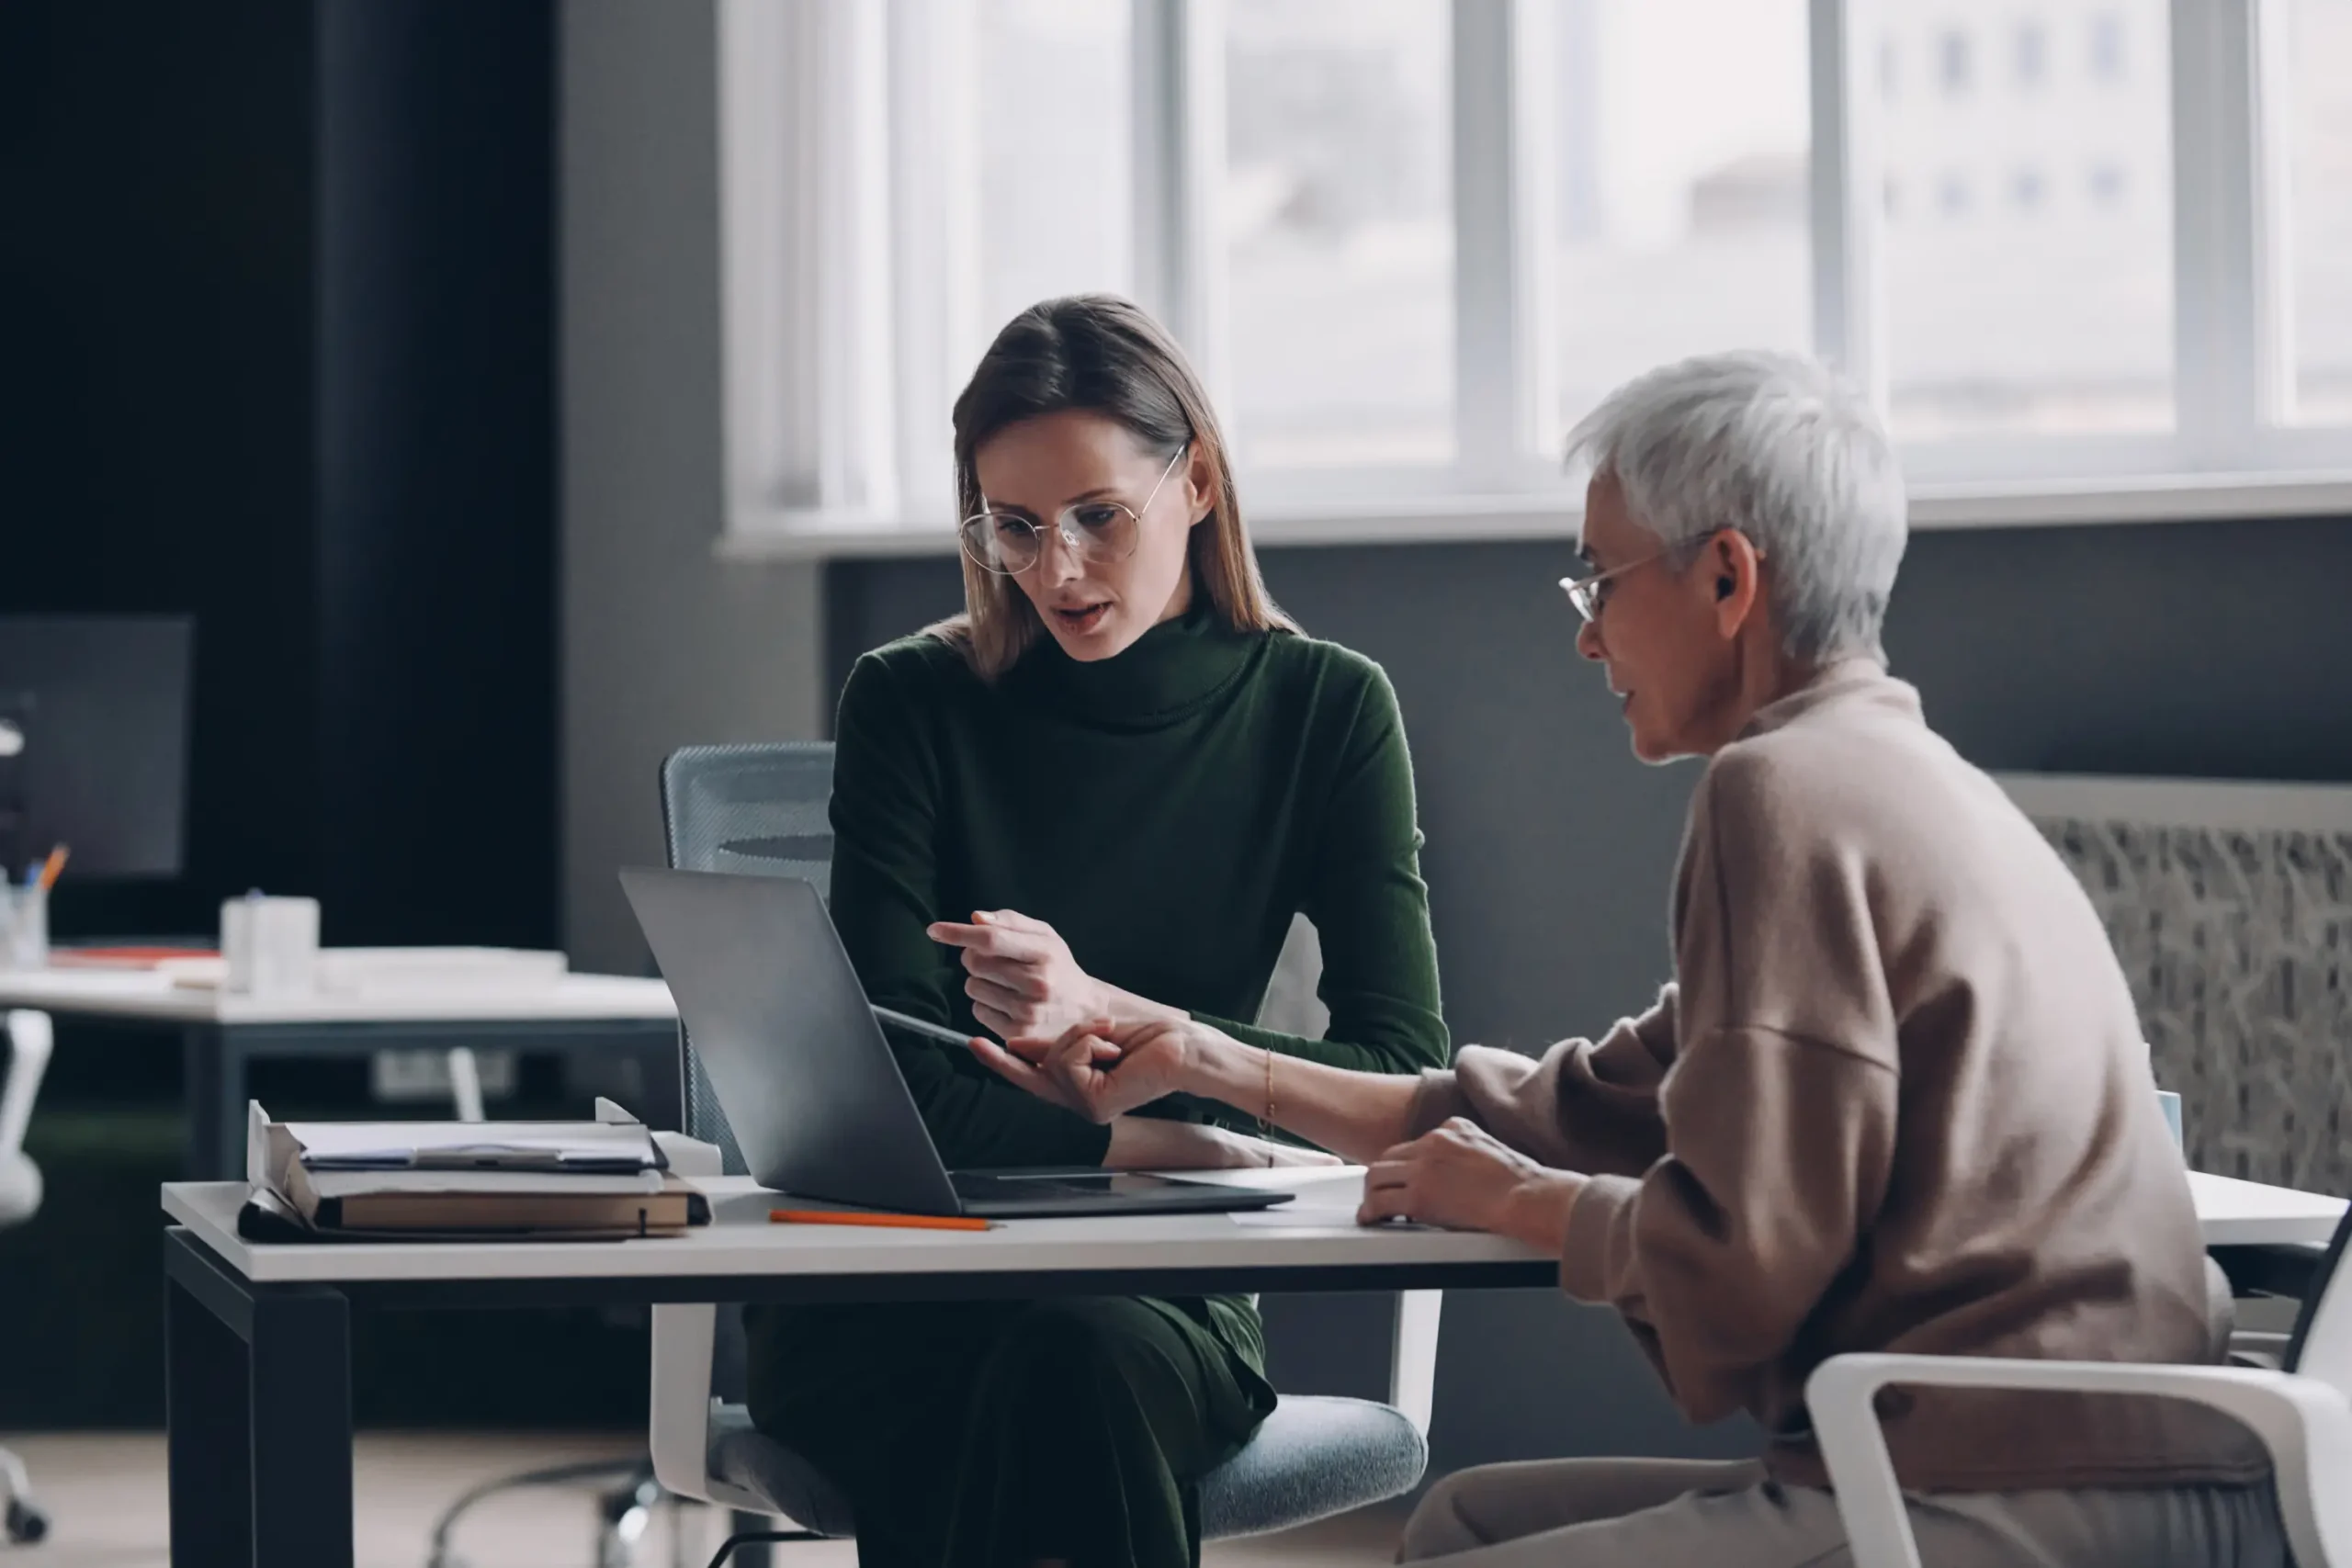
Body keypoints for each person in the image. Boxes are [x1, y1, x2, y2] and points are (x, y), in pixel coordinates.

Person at [975, 350, 2288, 1567]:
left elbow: (1743, 1270)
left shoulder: (1779, 796)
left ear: (1726, 578)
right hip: (2113, 1465)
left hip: (2006, 1497)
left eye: (1600, 581)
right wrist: (1208, 1056)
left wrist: (1522, 1203)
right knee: (1464, 1520)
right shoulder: (1901, 778)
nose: (1587, 635)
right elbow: (1553, 1106)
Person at [743, 294, 1450, 1568]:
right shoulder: (913, 700)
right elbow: (879, 1088)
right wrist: (1154, 1132)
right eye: (1013, 526)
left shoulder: (1327, 711)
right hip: (899, 1280)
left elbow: (1405, 1078)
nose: (1055, 568)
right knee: (1004, 1369)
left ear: (1199, 482)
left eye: (1097, 517)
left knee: (1072, 1354)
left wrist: (1131, 1026)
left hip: (1151, 1295)